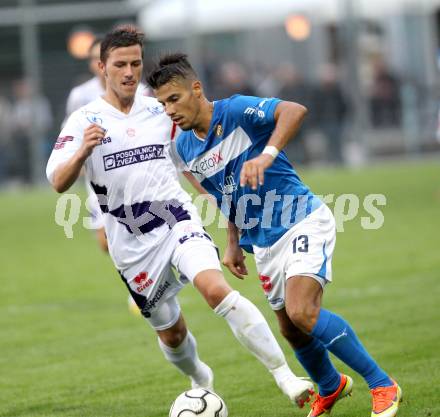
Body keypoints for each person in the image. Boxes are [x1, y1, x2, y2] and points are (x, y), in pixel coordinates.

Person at [46, 25, 314, 407]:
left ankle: (286, 377)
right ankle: (198, 377)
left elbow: (195, 166)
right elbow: (58, 181)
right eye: (120, 64)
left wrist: (230, 222)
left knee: (215, 290)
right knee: (170, 332)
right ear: (102, 67)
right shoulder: (83, 120)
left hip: (176, 218)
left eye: (135, 63)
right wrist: (81, 153)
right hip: (130, 242)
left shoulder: (161, 109)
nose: (129, 72)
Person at [147, 53, 402, 417]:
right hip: (261, 241)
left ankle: (383, 385)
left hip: (300, 219)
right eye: (162, 104)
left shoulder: (234, 111)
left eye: (174, 99)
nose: (169, 110)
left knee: (303, 312)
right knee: (290, 329)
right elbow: (224, 197)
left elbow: (294, 110)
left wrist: (267, 154)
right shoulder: (185, 149)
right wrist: (233, 243)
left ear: (196, 89)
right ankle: (331, 386)